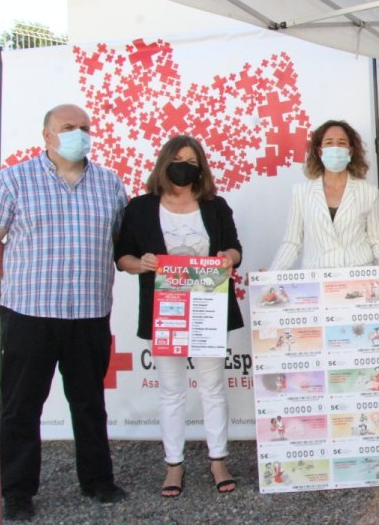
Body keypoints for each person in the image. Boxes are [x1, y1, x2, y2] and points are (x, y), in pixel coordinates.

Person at [0, 104, 129, 521]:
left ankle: (97, 481)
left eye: (85, 127)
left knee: (89, 402)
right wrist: (4, 275)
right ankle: (17, 491)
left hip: (89, 312)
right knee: (21, 404)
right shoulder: (14, 179)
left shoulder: (109, 183)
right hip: (29, 311)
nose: (79, 134)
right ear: (47, 135)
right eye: (68, 127)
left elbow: (121, 241)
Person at [115, 134, 244, 497]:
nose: (183, 167)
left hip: (207, 309)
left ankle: (218, 459)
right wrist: (141, 263)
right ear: (164, 163)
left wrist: (227, 259)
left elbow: (235, 247)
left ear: (200, 168)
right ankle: (174, 465)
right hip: (165, 313)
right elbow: (122, 256)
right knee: (171, 390)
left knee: (213, 387)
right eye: (178, 160)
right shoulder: (140, 208)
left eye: (191, 161)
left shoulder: (215, 206)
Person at [270, 120, 379, 275]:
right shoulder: (301, 192)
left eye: (342, 143)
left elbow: (376, 239)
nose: (336, 148)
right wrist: (271, 275)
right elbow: (292, 242)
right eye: (329, 142)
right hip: (317, 281)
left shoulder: (368, 192)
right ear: (319, 151)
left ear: (351, 151)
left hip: (358, 279)